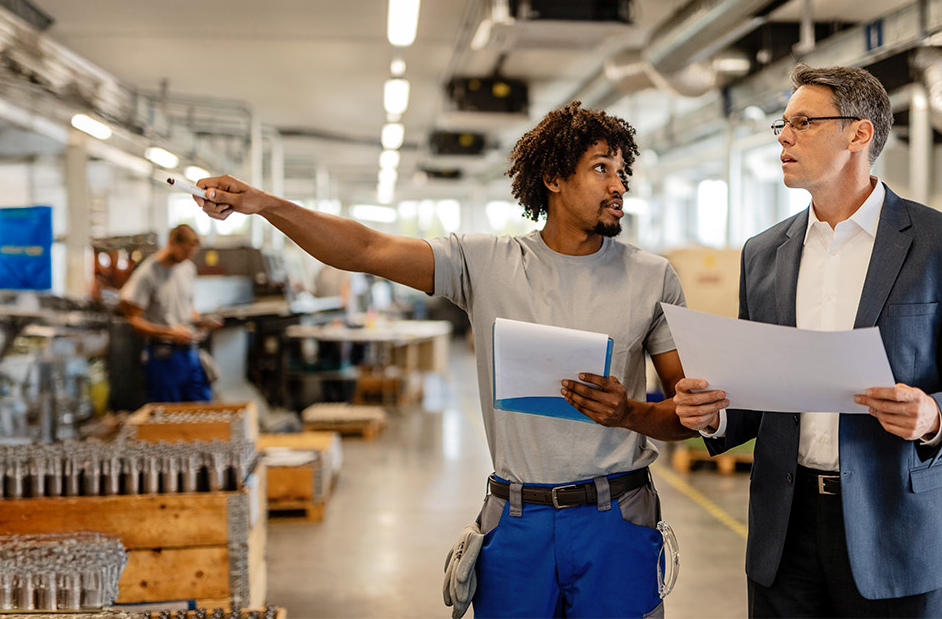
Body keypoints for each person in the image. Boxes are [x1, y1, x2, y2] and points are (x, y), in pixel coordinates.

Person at [194, 102, 696, 618]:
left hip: (616, 519)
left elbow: (689, 415)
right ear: (553, 178)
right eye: (601, 168)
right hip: (516, 521)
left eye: (621, 171)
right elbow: (364, 248)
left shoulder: (652, 277)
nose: (618, 185)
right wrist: (267, 205)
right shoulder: (486, 263)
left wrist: (629, 413)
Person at [672, 64, 942, 618]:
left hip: (896, 528)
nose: (784, 136)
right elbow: (758, 389)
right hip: (785, 530)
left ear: (859, 134)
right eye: (783, 123)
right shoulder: (763, 253)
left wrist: (933, 416)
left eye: (803, 122)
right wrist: (714, 413)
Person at [119, 224, 222, 402]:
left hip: (191, 354)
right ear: (172, 242)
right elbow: (135, 321)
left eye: (191, 254)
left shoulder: (187, 268)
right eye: (185, 252)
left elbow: (188, 307)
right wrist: (170, 333)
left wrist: (201, 322)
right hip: (164, 357)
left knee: (202, 409)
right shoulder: (148, 274)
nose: (187, 257)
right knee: (168, 412)